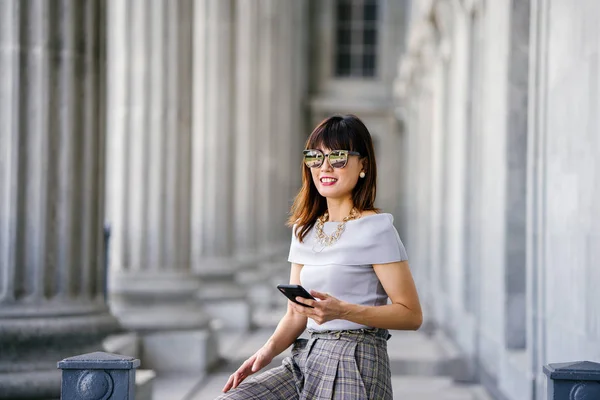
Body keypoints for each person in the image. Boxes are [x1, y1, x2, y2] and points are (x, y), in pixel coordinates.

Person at [216, 114, 422, 400]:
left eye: (337, 157)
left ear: (363, 164)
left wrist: (343, 311)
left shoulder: (376, 228)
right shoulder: (304, 229)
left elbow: (411, 315)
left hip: (357, 359)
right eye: (315, 157)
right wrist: (264, 353)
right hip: (306, 358)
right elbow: (294, 314)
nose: (325, 167)